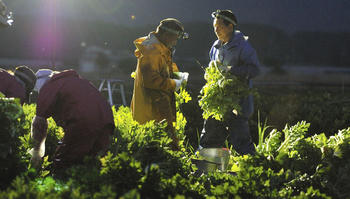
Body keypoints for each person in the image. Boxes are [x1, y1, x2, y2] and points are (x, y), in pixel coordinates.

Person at [199, 10, 260, 155]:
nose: (216, 30)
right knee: (209, 136)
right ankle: (206, 167)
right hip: (218, 101)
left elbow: (254, 70)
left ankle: (251, 168)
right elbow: (211, 69)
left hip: (236, 102)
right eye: (214, 26)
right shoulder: (215, 46)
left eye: (219, 27)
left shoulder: (243, 46)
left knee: (240, 140)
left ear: (230, 26)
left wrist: (231, 70)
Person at [30, 69, 115, 170]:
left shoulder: (50, 86)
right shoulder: (76, 81)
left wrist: (36, 151)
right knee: (94, 165)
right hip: (106, 120)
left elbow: (39, 122)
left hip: (83, 121)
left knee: (64, 164)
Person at [130, 18, 189, 150]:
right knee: (158, 150)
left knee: (164, 148)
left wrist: (178, 76)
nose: (176, 41)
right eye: (175, 38)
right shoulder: (152, 51)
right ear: (166, 35)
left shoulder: (159, 47)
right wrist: (175, 83)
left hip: (156, 108)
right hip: (151, 111)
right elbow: (152, 80)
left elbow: (163, 68)